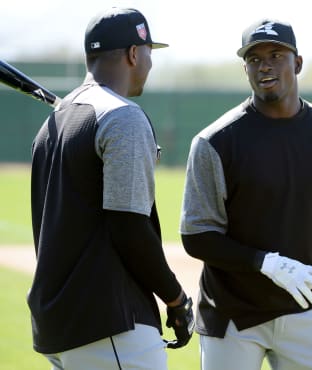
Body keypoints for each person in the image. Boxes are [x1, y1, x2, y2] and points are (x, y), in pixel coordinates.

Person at [180, 19, 312, 370]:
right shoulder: (215, 142)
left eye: (276, 55)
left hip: (306, 312)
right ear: (245, 68)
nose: (264, 65)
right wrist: (266, 263)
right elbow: (197, 237)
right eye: (254, 59)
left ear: (297, 63)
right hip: (232, 316)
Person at [29, 7, 194, 370]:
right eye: (149, 52)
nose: (150, 62)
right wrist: (175, 297)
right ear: (135, 54)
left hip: (59, 324)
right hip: (111, 325)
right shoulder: (122, 116)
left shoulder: (53, 123)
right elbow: (129, 228)